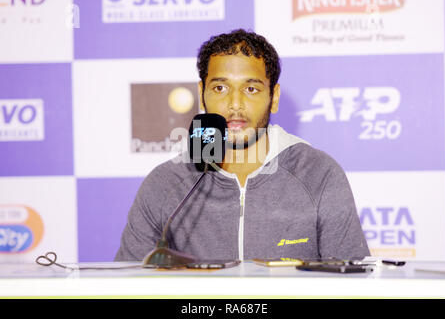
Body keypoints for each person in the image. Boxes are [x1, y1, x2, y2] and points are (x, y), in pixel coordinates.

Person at [115, 29, 370, 262]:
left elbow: (353, 283)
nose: (235, 104)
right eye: (220, 87)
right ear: (202, 93)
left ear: (274, 97)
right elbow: (125, 286)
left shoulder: (318, 174)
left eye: (250, 88)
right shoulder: (166, 183)